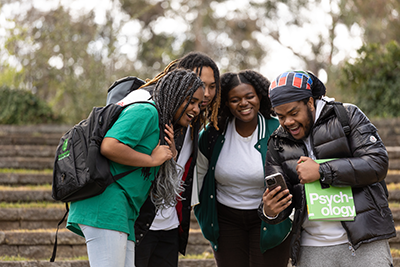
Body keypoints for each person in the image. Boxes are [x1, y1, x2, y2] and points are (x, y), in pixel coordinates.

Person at [66, 69, 204, 267]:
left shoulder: (161, 122)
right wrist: (152, 159)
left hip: (124, 210)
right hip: (106, 205)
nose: (197, 109)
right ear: (174, 94)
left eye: (199, 104)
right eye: (191, 101)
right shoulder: (147, 111)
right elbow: (110, 145)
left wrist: (169, 155)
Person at [259, 70, 396, 267]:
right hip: (312, 247)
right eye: (281, 116)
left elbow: (377, 163)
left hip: (364, 241)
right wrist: (269, 211)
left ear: (310, 102)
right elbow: (284, 200)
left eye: (293, 113)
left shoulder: (346, 116)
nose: (288, 122)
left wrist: (322, 171)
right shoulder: (278, 142)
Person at [194, 70, 292, 267]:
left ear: (260, 97)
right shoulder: (212, 133)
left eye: (250, 97)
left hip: (270, 219)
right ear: (225, 103)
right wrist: (201, 211)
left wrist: (286, 214)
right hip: (225, 220)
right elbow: (198, 175)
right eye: (235, 99)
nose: (244, 103)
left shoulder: (278, 131)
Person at [134, 51, 221, 267]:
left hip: (170, 227)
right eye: (201, 84)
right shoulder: (153, 113)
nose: (207, 93)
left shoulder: (194, 123)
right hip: (140, 224)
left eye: (212, 86)